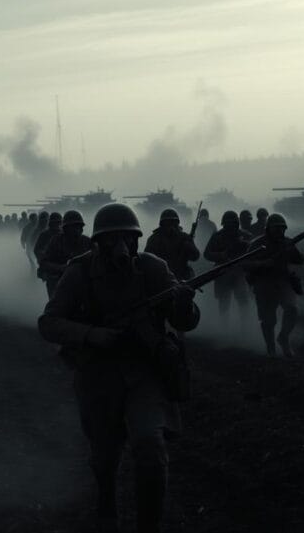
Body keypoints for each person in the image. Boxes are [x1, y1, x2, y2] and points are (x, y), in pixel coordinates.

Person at [39, 203, 199, 533]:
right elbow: (49, 322)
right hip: (98, 373)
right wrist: (94, 335)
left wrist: (184, 302)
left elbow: (185, 320)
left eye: (129, 238)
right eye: (113, 240)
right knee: (105, 455)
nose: (123, 247)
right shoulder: (79, 272)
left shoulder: (152, 268)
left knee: (151, 448)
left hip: (145, 371)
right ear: (97, 243)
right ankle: (107, 502)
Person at [245, 213, 304, 357]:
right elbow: (245, 263)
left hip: (284, 281)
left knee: (292, 310)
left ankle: (283, 338)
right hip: (263, 283)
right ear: (269, 228)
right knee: (268, 319)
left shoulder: (287, 242)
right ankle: (270, 347)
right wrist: (262, 263)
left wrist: (292, 250)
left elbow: (300, 259)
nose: (280, 231)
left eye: (282, 228)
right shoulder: (257, 244)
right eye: (276, 228)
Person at [203, 211, 252, 333]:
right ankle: (224, 328)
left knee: (243, 301)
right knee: (224, 302)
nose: (230, 227)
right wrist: (222, 255)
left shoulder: (245, 235)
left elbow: (254, 253)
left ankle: (245, 328)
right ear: (224, 224)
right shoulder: (217, 236)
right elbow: (207, 254)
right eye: (228, 224)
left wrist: (244, 247)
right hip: (223, 271)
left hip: (240, 272)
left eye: (233, 224)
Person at [38, 210, 91, 297]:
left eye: (78, 226)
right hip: (58, 281)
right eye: (73, 227)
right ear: (65, 229)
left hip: (81, 283)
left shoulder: (87, 241)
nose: (77, 230)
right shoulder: (56, 241)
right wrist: (61, 268)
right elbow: (44, 262)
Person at [144, 209, 200, 281]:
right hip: (162, 278)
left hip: (182, 277)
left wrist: (189, 247)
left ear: (177, 224)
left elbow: (195, 257)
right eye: (168, 223)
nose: (171, 227)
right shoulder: (154, 239)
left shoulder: (184, 237)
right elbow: (147, 261)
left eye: (173, 223)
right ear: (162, 224)